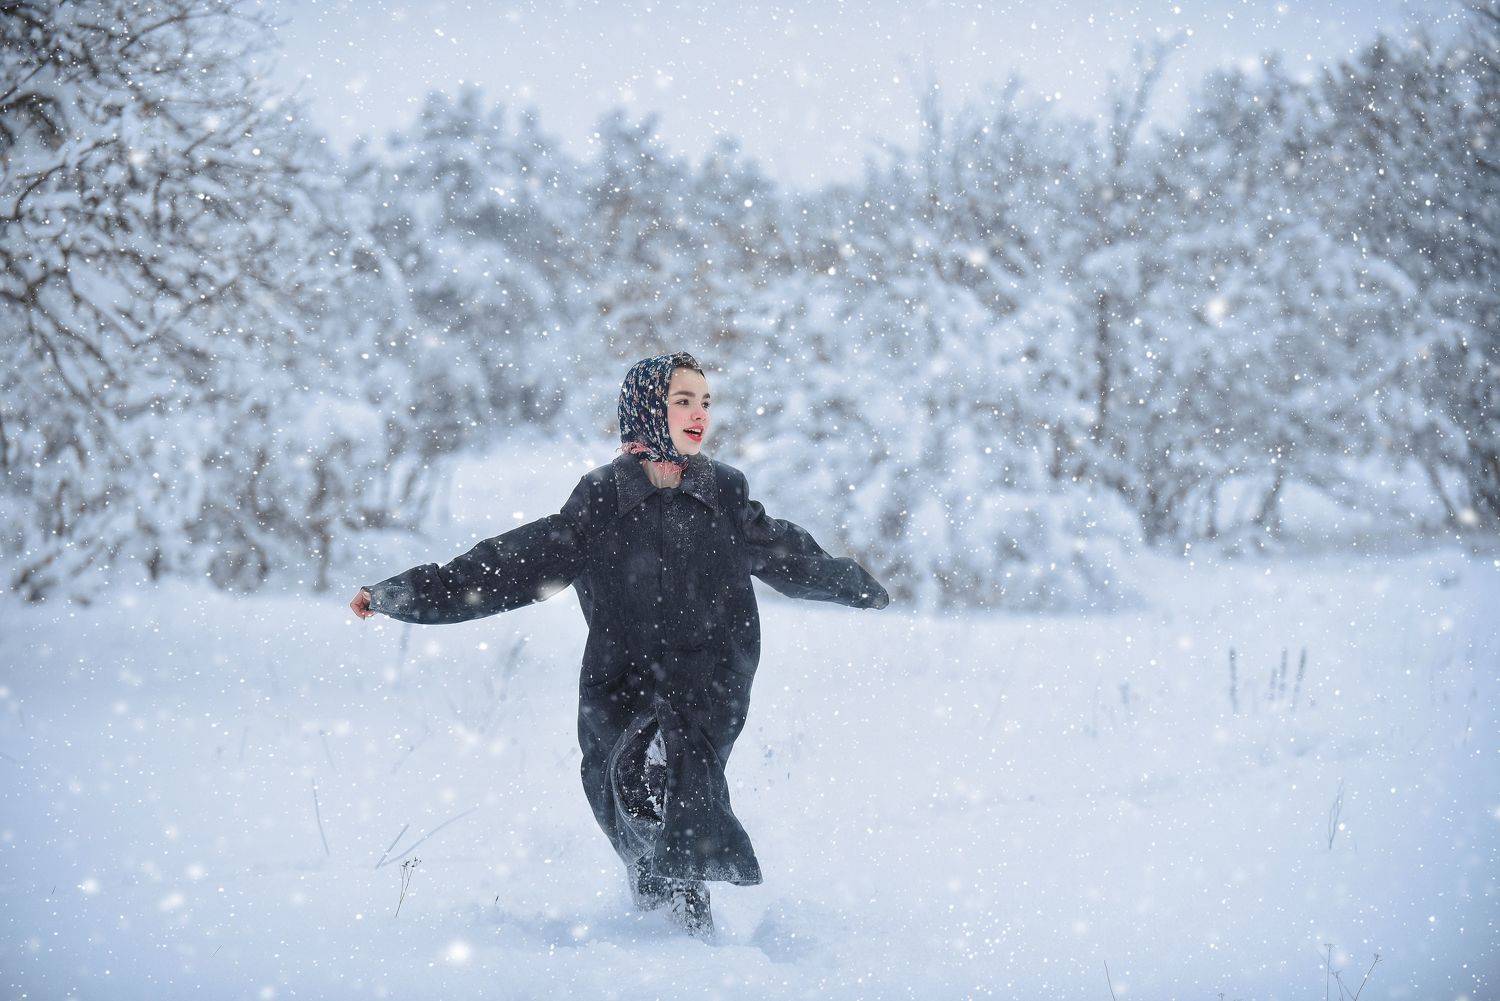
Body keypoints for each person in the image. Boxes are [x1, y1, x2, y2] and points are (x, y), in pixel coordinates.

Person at [350, 351, 891, 941]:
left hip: (709, 684)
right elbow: (509, 565)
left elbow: (790, 555)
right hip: (620, 686)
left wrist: (857, 586)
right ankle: (657, 933)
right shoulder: (602, 501)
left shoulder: (724, 495)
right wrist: (402, 593)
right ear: (648, 411)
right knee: (628, 807)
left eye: (704, 402)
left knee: (670, 781)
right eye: (682, 401)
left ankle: (696, 947)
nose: (698, 415)